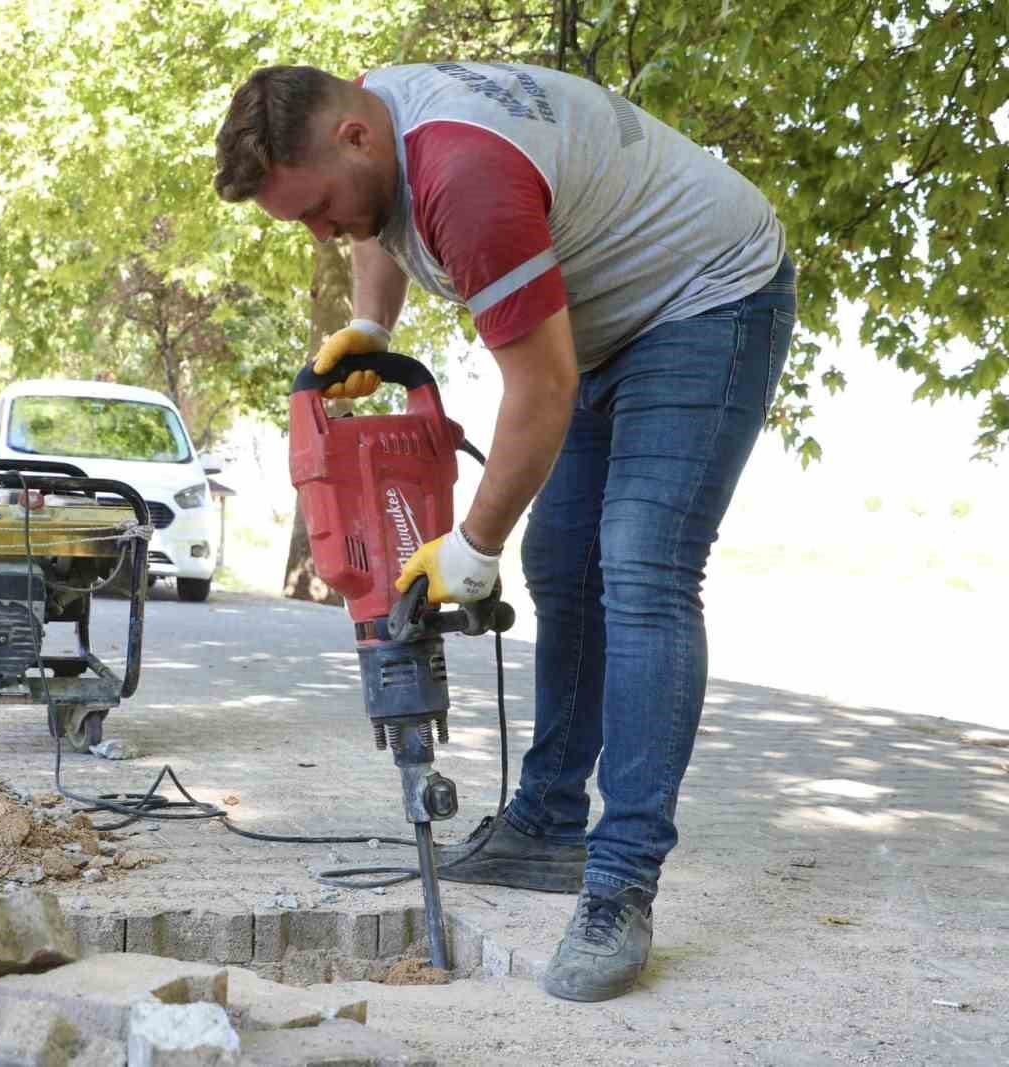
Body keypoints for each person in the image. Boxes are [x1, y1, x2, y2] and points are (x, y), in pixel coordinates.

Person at [214, 62, 796, 1002]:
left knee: (643, 567)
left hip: (708, 298)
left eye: (318, 208)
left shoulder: (464, 178)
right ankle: (548, 822)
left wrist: (469, 550)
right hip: (606, 324)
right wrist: (370, 322)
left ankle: (619, 886)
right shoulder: (366, 119)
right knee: (562, 563)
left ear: (353, 137)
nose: (324, 231)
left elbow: (542, 387)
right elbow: (375, 222)